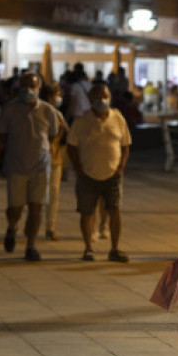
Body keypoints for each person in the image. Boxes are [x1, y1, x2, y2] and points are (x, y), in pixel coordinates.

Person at [0, 73, 63, 261]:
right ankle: (12, 227)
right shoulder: (10, 110)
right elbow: (2, 135)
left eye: (31, 87)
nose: (28, 91)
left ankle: (31, 245)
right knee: (15, 208)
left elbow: (52, 136)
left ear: (39, 88)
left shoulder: (48, 111)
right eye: (24, 86)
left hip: (40, 166)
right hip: (16, 165)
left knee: (36, 207)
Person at [67, 83, 132, 262]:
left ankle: (115, 248)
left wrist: (120, 167)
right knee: (87, 212)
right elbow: (71, 145)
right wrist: (78, 169)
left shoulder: (118, 118)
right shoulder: (81, 121)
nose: (101, 100)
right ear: (89, 99)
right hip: (87, 174)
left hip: (113, 174)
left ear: (110, 97)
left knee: (115, 211)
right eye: (96, 96)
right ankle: (88, 248)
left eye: (104, 96)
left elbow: (125, 145)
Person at [39, 83, 68, 241]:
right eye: (56, 95)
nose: (59, 98)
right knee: (36, 195)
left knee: (54, 194)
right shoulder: (39, 112)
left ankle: (50, 227)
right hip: (38, 160)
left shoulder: (58, 114)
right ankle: (34, 225)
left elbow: (65, 136)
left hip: (55, 160)